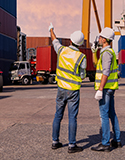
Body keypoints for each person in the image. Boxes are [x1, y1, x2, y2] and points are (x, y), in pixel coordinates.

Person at [49, 22, 87, 154]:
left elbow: (54, 40)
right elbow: (82, 75)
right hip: (73, 90)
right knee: (72, 117)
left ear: (70, 40)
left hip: (61, 89)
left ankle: (55, 142)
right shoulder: (82, 57)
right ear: (81, 44)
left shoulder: (62, 50)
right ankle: (72, 145)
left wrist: (51, 29)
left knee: (58, 115)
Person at [91, 27, 122, 152]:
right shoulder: (105, 52)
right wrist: (94, 52)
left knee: (103, 115)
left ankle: (105, 143)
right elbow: (95, 64)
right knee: (111, 114)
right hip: (110, 88)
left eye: (99, 37)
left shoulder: (107, 53)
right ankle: (117, 140)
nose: (98, 39)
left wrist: (100, 89)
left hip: (106, 89)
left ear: (104, 39)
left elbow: (106, 72)